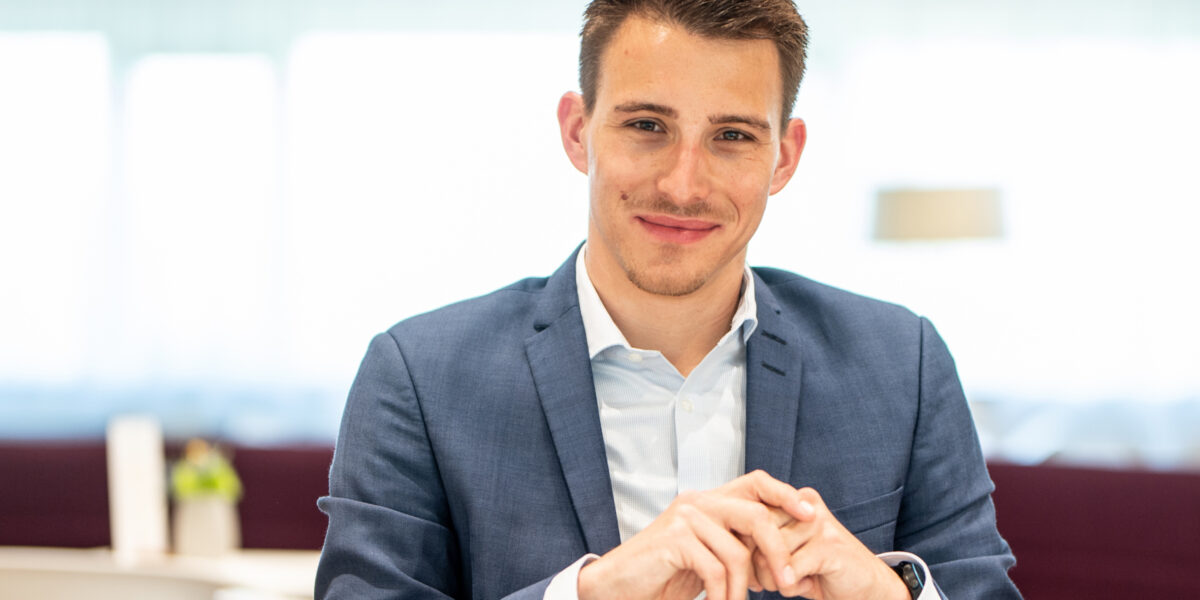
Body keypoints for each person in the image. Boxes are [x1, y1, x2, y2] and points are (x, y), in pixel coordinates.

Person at [315, 1, 1021, 599]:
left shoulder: (904, 366)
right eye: (647, 126)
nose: (685, 185)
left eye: (733, 136)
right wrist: (592, 594)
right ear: (576, 131)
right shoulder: (417, 378)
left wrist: (887, 594)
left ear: (784, 156)